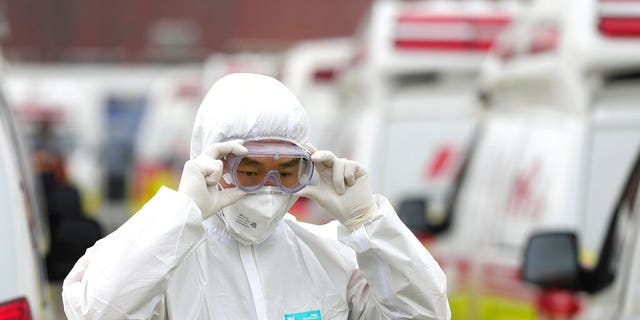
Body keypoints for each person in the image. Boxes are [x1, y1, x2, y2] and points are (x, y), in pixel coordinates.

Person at [62, 73, 450, 319]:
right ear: (213, 162)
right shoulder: (160, 259)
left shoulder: (332, 256)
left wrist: (369, 223)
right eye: (249, 171)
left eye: (285, 172)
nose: (268, 190)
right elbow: (97, 311)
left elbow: (425, 313)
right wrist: (182, 212)